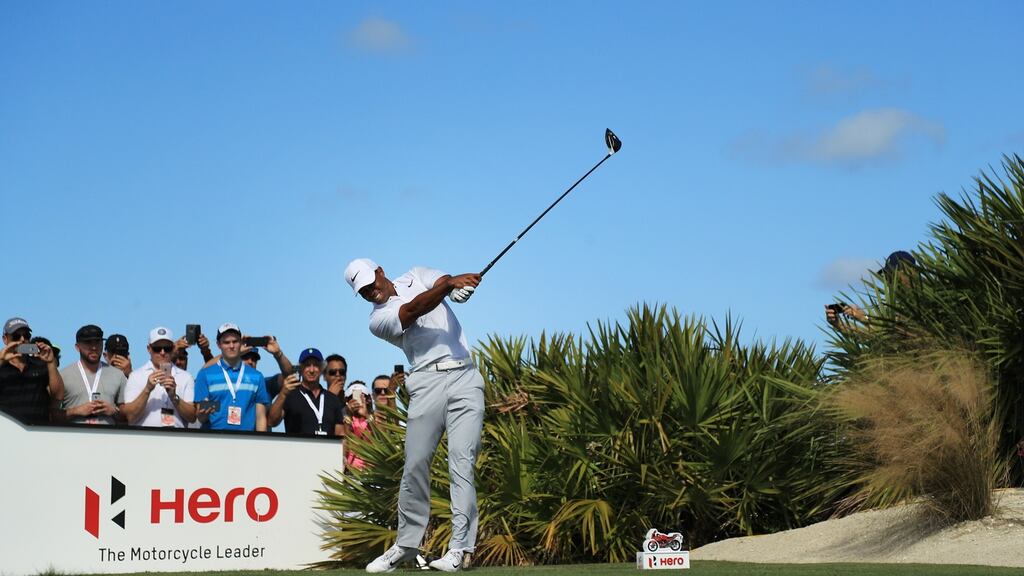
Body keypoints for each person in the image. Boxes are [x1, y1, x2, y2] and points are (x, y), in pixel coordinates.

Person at [345, 257, 484, 573]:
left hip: (465, 377)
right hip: (425, 381)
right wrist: (449, 286)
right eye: (363, 291)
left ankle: (459, 549)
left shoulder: (416, 275)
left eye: (371, 283)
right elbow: (414, 310)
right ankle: (405, 546)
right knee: (415, 464)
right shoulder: (377, 319)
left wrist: (458, 288)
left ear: (380, 271)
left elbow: (441, 281)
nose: (370, 292)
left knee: (462, 461)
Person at [193, 323, 270, 431]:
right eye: (226, 342)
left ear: (241, 343)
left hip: (247, 441)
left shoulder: (256, 376)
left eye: (235, 341)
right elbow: (200, 417)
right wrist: (203, 413)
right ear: (218, 344)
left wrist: (261, 444)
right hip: (214, 441)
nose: (231, 346)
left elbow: (261, 417)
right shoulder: (205, 374)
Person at [120, 327, 197, 427]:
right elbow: (130, 416)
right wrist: (147, 389)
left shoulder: (186, 377)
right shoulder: (136, 376)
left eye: (167, 348)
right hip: (145, 438)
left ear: (173, 348)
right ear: (149, 349)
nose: (162, 352)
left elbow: (192, 417)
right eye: (157, 348)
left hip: (176, 438)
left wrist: (174, 397)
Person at [826, 251, 916, 330]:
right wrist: (839, 324)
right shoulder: (896, 306)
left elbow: (894, 338)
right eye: (887, 276)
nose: (888, 281)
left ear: (909, 271)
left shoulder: (921, 300)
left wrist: (863, 318)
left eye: (892, 275)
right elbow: (878, 337)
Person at [59, 325, 128, 425]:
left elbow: (127, 417)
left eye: (98, 342)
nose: (94, 347)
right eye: (88, 343)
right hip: (74, 438)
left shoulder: (118, 375)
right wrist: (75, 411)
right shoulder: (63, 375)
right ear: (77, 347)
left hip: (108, 438)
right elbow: (51, 415)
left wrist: (113, 411)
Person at [267, 347, 344, 436]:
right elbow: (271, 421)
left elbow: (340, 434)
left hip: (327, 449)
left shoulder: (332, 399)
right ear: (300, 368)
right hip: (297, 449)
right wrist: (283, 394)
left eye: (316, 365)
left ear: (322, 368)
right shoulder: (290, 395)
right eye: (307, 365)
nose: (311, 370)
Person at [0, 317, 64, 424]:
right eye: (16, 336)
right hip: (7, 431)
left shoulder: (40, 364)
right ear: (5, 339)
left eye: (26, 335)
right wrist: (1, 360)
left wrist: (51, 362)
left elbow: (58, 396)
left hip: (37, 431)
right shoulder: (1, 366)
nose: (22, 340)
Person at [343, 381, 374, 470]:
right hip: (350, 471)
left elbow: (378, 437)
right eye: (351, 397)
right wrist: (348, 415)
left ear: (368, 399)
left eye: (361, 396)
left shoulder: (375, 417)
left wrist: (367, 416)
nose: (356, 400)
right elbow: (346, 440)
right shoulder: (344, 419)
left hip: (371, 470)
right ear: (347, 401)